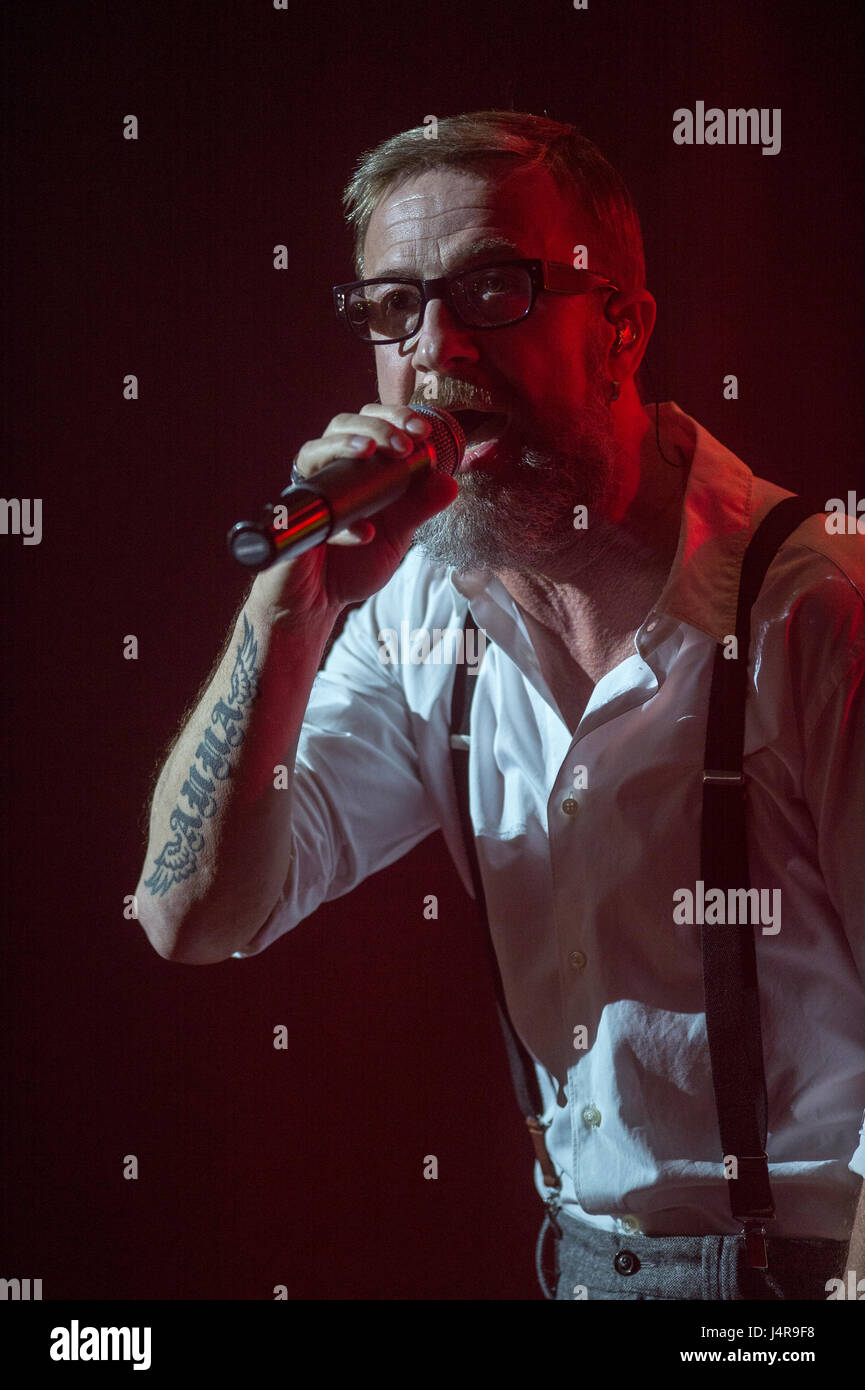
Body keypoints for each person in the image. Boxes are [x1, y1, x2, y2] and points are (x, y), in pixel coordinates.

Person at [135, 111, 865, 1301]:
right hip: (575, 1261)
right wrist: (290, 607)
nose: (434, 351)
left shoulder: (816, 610)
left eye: (491, 290)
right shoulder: (422, 607)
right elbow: (195, 913)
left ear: (621, 330)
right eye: (392, 308)